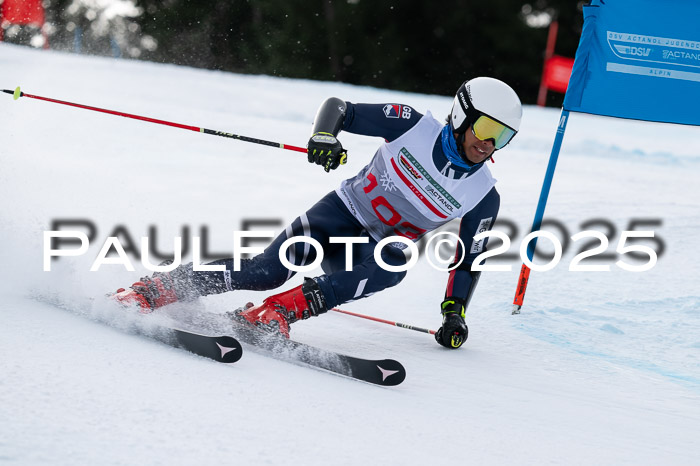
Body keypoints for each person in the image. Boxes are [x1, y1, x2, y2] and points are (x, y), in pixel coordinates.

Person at [114, 77, 522, 349]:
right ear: (462, 115)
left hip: (370, 251)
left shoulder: (483, 196)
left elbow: (468, 260)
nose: (489, 143)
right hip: (338, 215)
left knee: (394, 263)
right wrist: (325, 135)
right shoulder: (412, 126)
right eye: (485, 128)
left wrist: (455, 313)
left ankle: (278, 312)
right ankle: (163, 286)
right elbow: (339, 107)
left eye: (502, 136)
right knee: (265, 272)